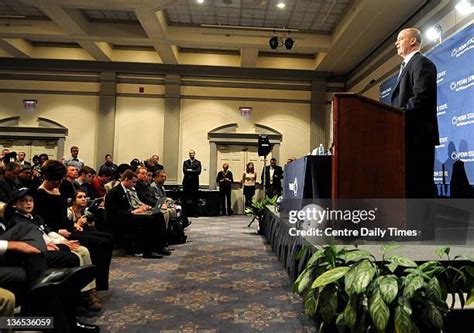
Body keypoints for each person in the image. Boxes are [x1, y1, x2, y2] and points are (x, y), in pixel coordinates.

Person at [391, 27, 439, 198]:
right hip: (406, 136)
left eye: (400, 38)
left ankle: (421, 225)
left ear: (413, 41)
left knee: (418, 189)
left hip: (418, 137)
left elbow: (421, 97)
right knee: (408, 188)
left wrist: (397, 118)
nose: (396, 43)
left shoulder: (421, 63)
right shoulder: (406, 66)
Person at [105, 169, 170, 258]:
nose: (134, 185)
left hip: (128, 215)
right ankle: (148, 251)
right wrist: (133, 211)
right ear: (126, 180)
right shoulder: (114, 192)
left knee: (158, 215)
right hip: (120, 219)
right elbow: (114, 212)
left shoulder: (126, 190)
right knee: (149, 220)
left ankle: (159, 246)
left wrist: (139, 209)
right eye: (133, 182)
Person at [182, 150, 201, 217]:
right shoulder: (185, 162)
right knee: (185, 199)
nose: (191, 154)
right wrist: (193, 171)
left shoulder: (198, 162)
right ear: (189, 154)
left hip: (194, 183)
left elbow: (198, 172)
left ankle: (195, 213)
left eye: (192, 153)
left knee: (195, 199)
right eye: (190, 153)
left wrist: (190, 170)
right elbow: (185, 171)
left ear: (194, 154)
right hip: (186, 183)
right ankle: (185, 213)